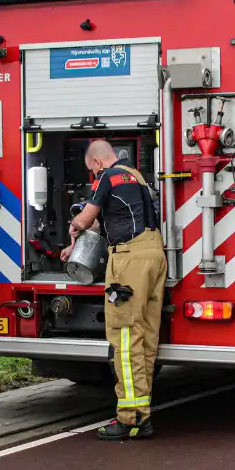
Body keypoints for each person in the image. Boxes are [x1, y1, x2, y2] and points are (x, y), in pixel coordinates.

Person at [63, 140, 166, 440]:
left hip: (129, 261)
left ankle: (130, 418)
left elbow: (86, 218)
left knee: (124, 337)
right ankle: (142, 411)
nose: (93, 174)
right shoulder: (135, 175)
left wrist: (75, 229)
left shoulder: (107, 177)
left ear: (96, 162)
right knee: (146, 337)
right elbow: (114, 219)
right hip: (155, 255)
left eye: (90, 170)